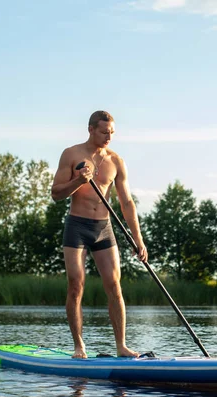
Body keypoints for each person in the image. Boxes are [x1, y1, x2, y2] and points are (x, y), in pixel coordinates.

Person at [51, 110, 148, 359]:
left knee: (115, 285)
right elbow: (56, 193)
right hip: (77, 227)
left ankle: (121, 346)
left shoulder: (116, 161)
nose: (109, 136)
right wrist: (78, 181)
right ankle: (79, 346)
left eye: (112, 132)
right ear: (91, 129)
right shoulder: (71, 154)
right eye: (104, 131)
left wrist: (138, 239)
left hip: (104, 228)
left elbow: (126, 203)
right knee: (76, 285)